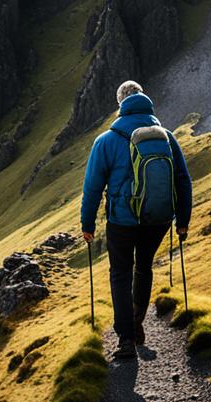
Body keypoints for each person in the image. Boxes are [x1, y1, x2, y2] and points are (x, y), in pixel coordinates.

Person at [80, 80, 192, 360]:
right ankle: (137, 319)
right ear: (145, 100)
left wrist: (88, 224)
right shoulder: (166, 136)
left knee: (120, 274)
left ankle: (126, 339)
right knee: (144, 267)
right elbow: (182, 179)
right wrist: (183, 220)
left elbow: (92, 187)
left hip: (122, 221)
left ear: (120, 104)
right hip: (158, 219)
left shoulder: (106, 141)